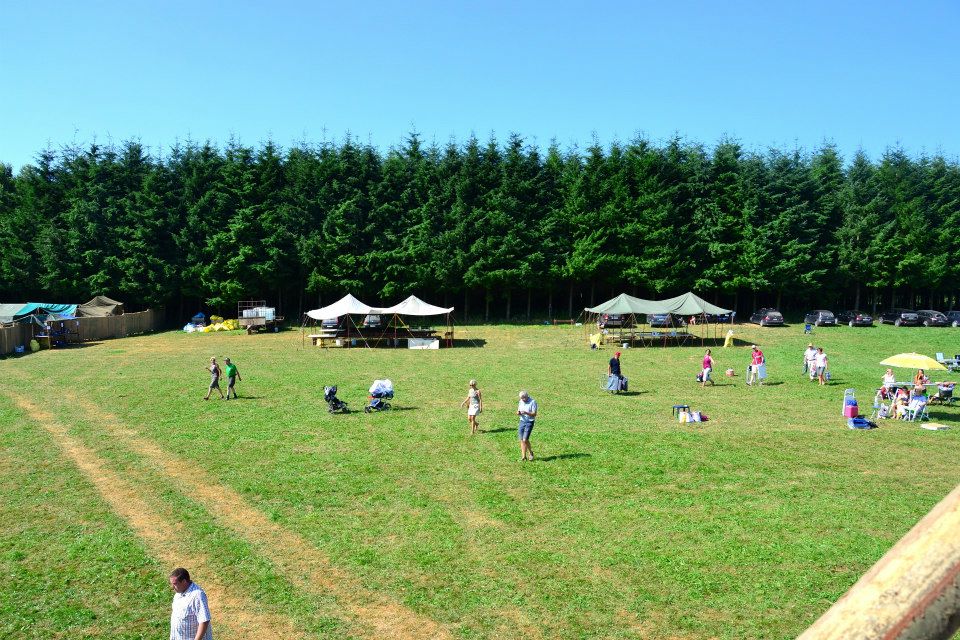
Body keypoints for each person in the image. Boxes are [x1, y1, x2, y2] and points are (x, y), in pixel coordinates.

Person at [169, 567, 212, 640]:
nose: (172, 587)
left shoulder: (197, 595)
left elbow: (204, 620)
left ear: (184, 581)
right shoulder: (178, 593)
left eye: (175, 584)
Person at [517, 390, 538, 462]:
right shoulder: (521, 401)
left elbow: (534, 414)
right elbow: (518, 410)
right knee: (521, 440)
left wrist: (526, 412)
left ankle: (531, 453)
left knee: (525, 439)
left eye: (524, 398)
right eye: (521, 398)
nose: (522, 400)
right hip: (522, 421)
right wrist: (518, 413)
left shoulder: (533, 402)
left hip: (529, 422)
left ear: (527, 396)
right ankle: (523, 457)